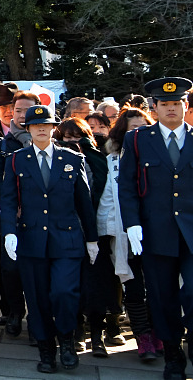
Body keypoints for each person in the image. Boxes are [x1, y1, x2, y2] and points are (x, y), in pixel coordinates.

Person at [2, 105, 98, 373]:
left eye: (46, 124)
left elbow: (84, 202)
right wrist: (9, 230)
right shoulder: (17, 159)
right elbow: (8, 198)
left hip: (67, 239)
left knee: (65, 292)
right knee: (37, 298)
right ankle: (46, 351)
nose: (41, 129)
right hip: (31, 239)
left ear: (53, 128)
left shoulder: (71, 158)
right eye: (35, 125)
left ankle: (67, 341)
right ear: (28, 129)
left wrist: (92, 239)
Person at [118, 77, 193, 380]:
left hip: (191, 233)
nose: (171, 108)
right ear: (155, 107)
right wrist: (132, 223)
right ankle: (173, 356)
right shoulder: (137, 139)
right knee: (162, 299)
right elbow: (127, 186)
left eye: (177, 103)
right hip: (155, 231)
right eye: (165, 104)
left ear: (186, 106)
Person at [56, 117, 121, 355]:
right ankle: (76, 331)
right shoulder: (56, 160)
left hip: (98, 230)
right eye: (67, 138)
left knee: (98, 285)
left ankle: (98, 334)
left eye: (78, 137)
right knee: (72, 286)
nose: (73, 142)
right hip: (67, 232)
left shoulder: (99, 159)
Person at [103, 107, 161, 360]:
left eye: (142, 127)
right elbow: (107, 200)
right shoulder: (112, 161)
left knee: (159, 287)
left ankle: (160, 331)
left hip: (157, 233)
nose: (138, 132)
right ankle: (143, 337)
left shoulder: (159, 158)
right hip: (123, 234)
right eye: (132, 129)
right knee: (135, 288)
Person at [0, 90, 40, 336]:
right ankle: (15, 312)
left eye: (26, 110)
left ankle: (38, 316)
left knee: (38, 270)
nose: (21, 115)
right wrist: (13, 205)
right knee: (9, 269)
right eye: (17, 110)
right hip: (10, 217)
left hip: (41, 219)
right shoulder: (2, 145)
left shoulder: (48, 141)